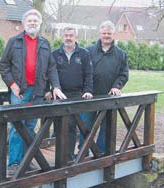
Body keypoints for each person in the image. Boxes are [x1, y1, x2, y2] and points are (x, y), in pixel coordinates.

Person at [0, 9, 66, 175]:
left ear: (39, 24)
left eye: (35, 21)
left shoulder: (44, 43)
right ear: (24, 23)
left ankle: (25, 161)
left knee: (29, 127)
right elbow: (3, 65)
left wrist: (55, 86)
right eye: (29, 21)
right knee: (17, 126)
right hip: (20, 91)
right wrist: (12, 84)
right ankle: (13, 164)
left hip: (38, 91)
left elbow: (51, 67)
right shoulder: (14, 42)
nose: (32, 23)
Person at [79, 20, 129, 154]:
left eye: (109, 33)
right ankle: (82, 152)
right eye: (104, 33)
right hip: (90, 96)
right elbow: (82, 72)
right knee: (85, 126)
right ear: (100, 33)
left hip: (109, 97)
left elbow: (123, 74)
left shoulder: (120, 54)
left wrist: (117, 86)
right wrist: (86, 90)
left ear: (113, 34)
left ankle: (101, 153)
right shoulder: (88, 51)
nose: (106, 35)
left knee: (106, 127)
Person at [47, 27, 93, 160]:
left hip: (76, 95)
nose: (68, 38)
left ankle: (69, 156)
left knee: (72, 126)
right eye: (66, 35)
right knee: (59, 126)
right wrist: (48, 91)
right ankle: (59, 155)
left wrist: (88, 91)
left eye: (71, 35)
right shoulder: (55, 54)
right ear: (62, 37)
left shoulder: (84, 54)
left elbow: (89, 74)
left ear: (76, 37)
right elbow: (47, 73)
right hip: (59, 95)